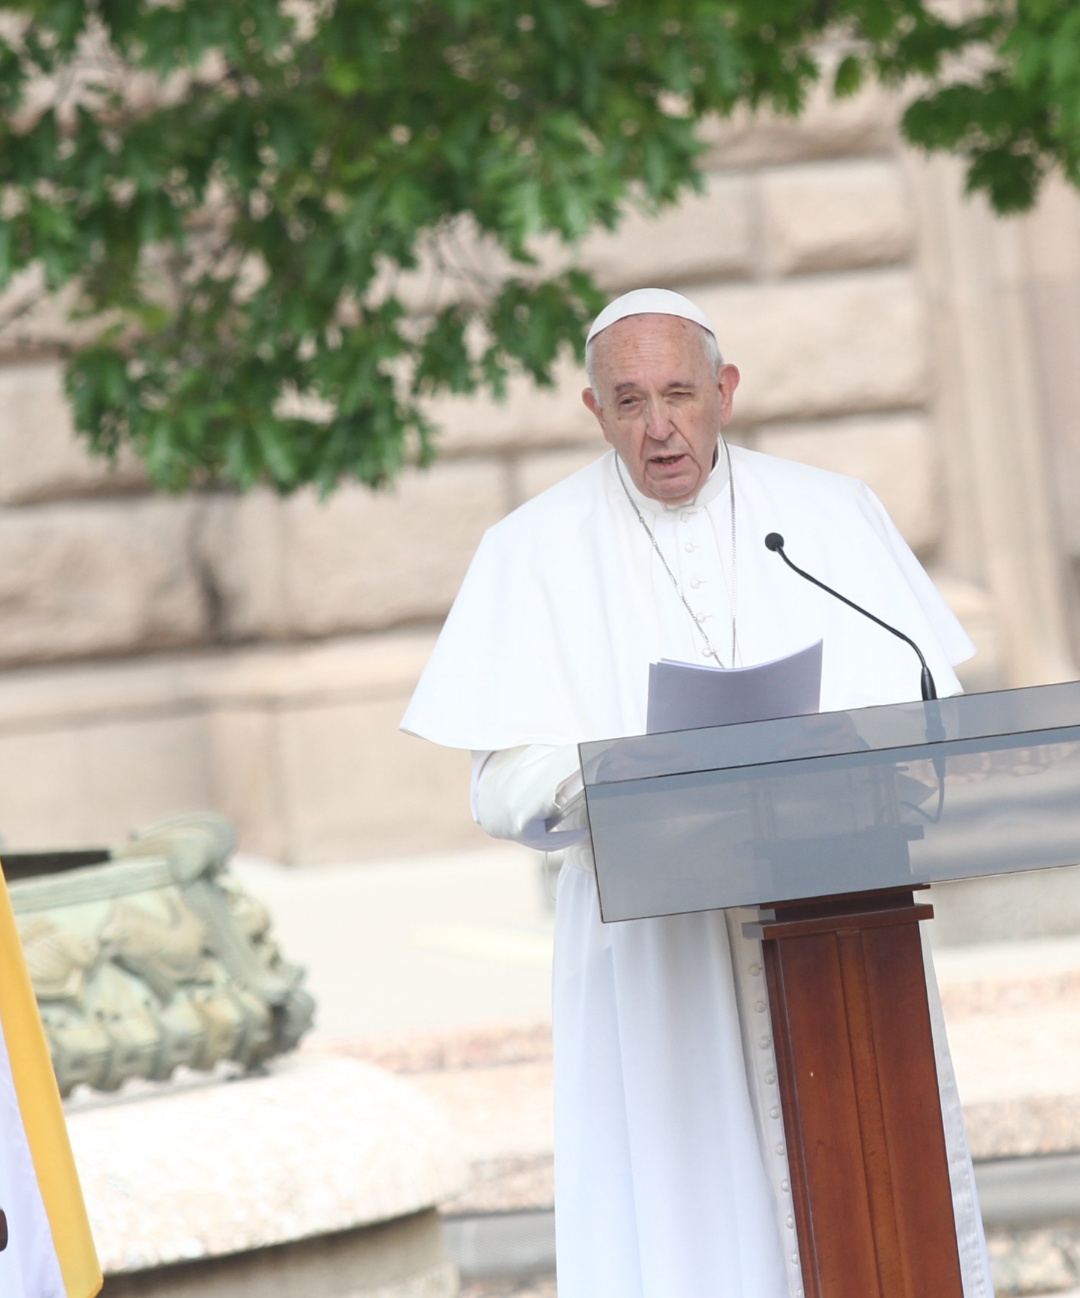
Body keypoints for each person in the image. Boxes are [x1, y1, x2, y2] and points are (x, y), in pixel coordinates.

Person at [399, 288, 992, 1298]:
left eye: (678, 394)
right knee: (687, 1214)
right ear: (594, 412)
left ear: (725, 391)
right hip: (654, 954)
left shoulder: (827, 515)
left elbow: (928, 708)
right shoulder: (532, 550)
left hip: (840, 924)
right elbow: (501, 789)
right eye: (629, 402)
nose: (659, 427)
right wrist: (609, 771)